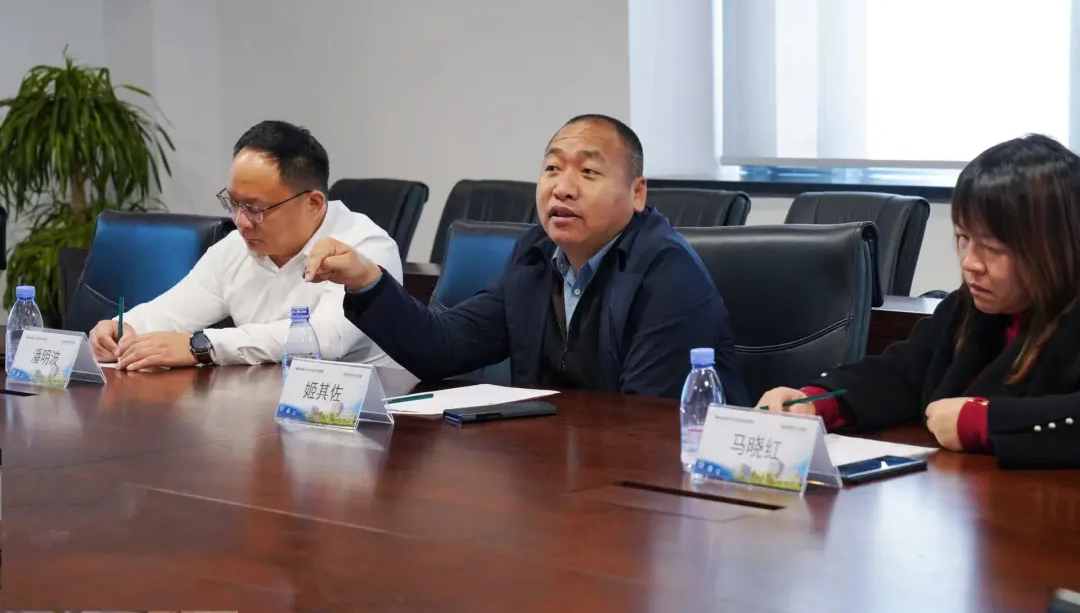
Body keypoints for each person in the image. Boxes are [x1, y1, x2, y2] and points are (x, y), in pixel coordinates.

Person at [304, 114, 747, 403]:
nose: (562, 188)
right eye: (552, 168)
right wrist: (367, 280)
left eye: (588, 172)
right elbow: (443, 347)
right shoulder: (537, 256)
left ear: (637, 193)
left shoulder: (667, 272)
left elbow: (647, 420)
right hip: (553, 474)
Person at [758, 134, 1080, 468]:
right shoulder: (967, 308)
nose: (970, 262)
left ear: (1053, 248)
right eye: (964, 238)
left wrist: (984, 421)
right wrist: (817, 402)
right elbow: (902, 373)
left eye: (993, 248)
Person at [88, 120, 402, 370]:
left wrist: (203, 346)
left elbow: (325, 339)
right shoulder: (235, 248)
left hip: (356, 415)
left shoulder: (364, 247)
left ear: (314, 203)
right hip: (262, 405)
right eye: (233, 203)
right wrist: (123, 328)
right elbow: (172, 312)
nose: (240, 221)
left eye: (254, 208)